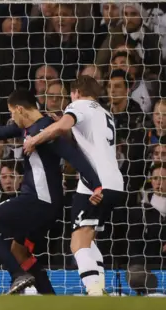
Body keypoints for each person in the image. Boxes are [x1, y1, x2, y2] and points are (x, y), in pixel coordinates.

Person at [0, 90, 103, 295]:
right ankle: (50, 297)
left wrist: (96, 184)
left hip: (37, 199)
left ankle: (17, 275)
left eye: (12, 113)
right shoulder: (30, 129)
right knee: (19, 252)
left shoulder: (45, 130)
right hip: (45, 204)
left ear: (20, 109)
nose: (12, 118)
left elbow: (72, 155)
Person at [23, 76, 126, 296]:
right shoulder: (104, 112)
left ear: (77, 92)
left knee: (78, 242)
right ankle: (98, 287)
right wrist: (60, 121)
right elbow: (78, 136)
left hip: (95, 183)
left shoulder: (78, 105)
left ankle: (94, 290)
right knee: (89, 238)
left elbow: (63, 127)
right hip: (114, 182)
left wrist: (35, 139)